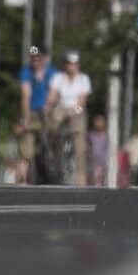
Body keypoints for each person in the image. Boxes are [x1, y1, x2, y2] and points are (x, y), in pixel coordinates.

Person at [47, 50, 92, 185]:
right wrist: (49, 106)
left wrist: (73, 111)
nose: (72, 66)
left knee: (80, 143)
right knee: (54, 121)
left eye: (75, 64)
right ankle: (54, 148)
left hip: (77, 109)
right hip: (62, 108)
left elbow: (82, 101)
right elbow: (52, 96)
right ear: (65, 65)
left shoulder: (83, 79)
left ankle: (81, 179)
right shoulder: (58, 78)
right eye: (70, 64)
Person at [15, 46, 55, 181]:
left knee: (50, 140)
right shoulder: (26, 72)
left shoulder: (52, 72)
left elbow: (54, 93)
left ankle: (53, 171)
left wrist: (48, 107)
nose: (36, 61)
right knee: (26, 146)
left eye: (38, 58)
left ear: (44, 58)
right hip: (32, 112)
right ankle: (22, 179)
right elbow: (25, 95)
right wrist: (25, 118)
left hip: (48, 113)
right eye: (33, 58)